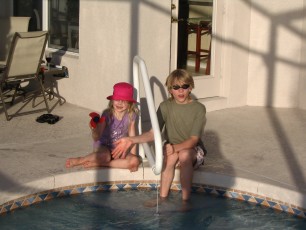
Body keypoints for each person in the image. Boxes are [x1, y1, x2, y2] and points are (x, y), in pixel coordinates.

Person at [112, 69, 207, 202]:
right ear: (170, 90)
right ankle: (162, 198)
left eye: (184, 87)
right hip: (172, 149)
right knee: (171, 156)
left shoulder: (198, 108)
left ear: (190, 88)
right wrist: (130, 139)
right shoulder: (164, 107)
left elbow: (193, 140)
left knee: (184, 154)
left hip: (193, 151)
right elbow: (152, 133)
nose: (180, 91)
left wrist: (175, 148)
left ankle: (186, 200)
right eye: (176, 87)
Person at [65, 82, 141, 172]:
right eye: (117, 99)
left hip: (118, 149)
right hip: (103, 147)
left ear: (129, 103)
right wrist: (95, 127)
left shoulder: (131, 115)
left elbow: (132, 138)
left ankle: (102, 164)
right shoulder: (107, 114)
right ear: (112, 100)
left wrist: (133, 155)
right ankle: (81, 160)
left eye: (124, 100)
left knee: (135, 162)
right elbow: (96, 137)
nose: (120, 103)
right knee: (105, 156)